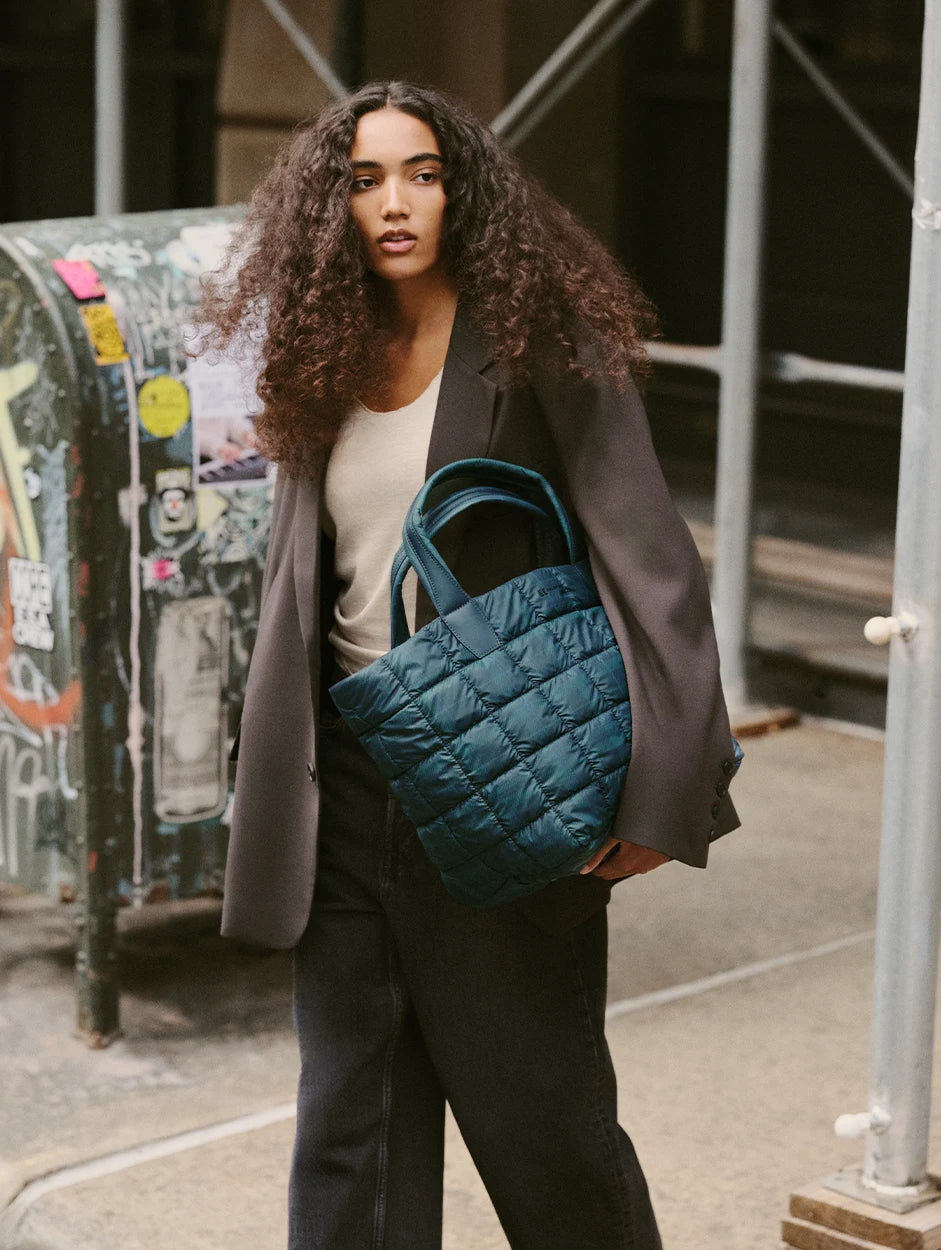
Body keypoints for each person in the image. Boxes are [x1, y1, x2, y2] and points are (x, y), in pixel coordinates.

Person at [202, 79, 739, 1250]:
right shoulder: (320, 348)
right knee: (350, 1132)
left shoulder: (539, 339)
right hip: (344, 778)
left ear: (464, 190)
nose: (393, 203)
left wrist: (668, 785)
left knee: (541, 1122)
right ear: (327, 207)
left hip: (501, 779)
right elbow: (305, 578)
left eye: (422, 173)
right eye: (361, 181)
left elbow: (652, 562)